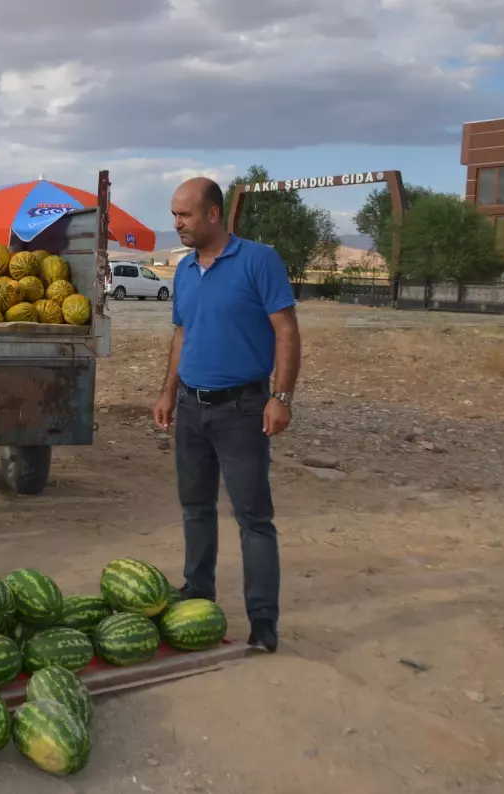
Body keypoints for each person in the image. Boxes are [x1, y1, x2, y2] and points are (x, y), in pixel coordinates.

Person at [152, 177, 302, 653]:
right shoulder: (185, 271)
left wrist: (282, 396)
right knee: (195, 508)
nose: (177, 224)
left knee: (253, 517)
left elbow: (286, 331)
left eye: (185, 215)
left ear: (213, 214)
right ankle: (198, 591)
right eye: (174, 215)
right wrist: (168, 392)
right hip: (192, 408)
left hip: (242, 409)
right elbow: (182, 336)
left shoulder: (259, 260)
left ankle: (263, 620)